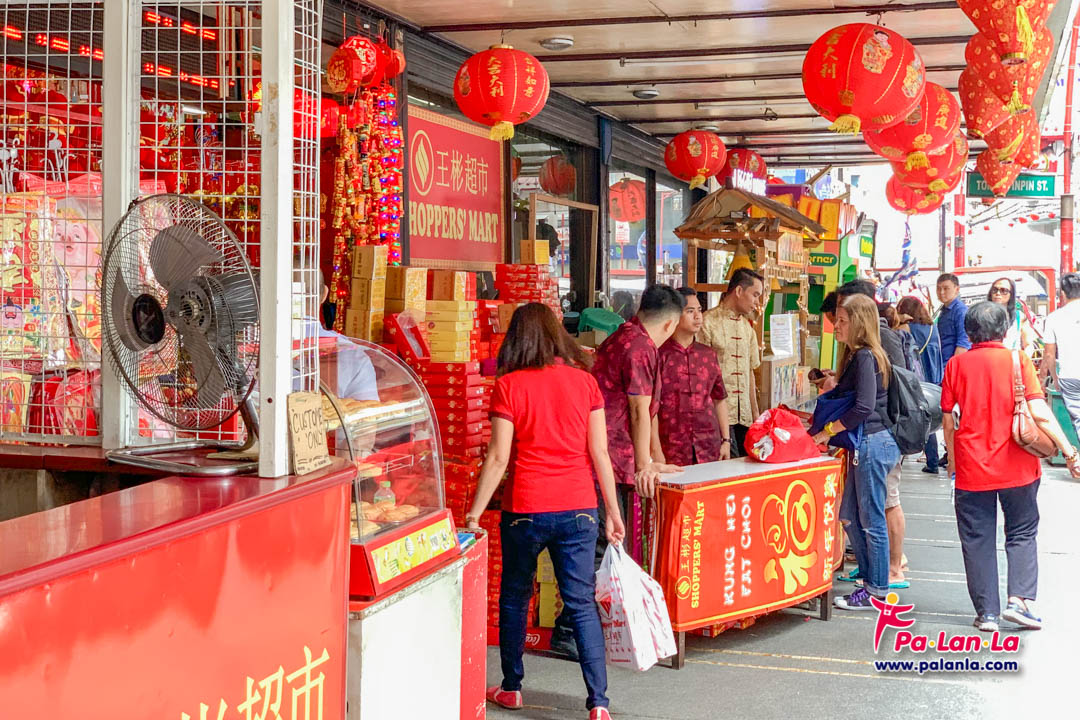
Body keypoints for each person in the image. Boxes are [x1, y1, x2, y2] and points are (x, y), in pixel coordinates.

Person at [465, 303, 625, 720]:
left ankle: (512, 687)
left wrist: (472, 514)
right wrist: (612, 510)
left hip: (526, 507)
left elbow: (499, 457)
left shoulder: (510, 386)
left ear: (516, 338)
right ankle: (599, 703)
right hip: (579, 508)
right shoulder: (584, 382)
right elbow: (600, 453)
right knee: (581, 602)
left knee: (516, 595)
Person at [941, 301, 1080, 632]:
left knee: (977, 539)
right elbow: (1040, 412)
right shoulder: (1017, 360)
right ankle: (1019, 600)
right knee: (1021, 531)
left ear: (969, 332)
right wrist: (1069, 451)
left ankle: (987, 613)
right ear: (1004, 330)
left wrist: (953, 461)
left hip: (972, 468)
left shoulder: (955, 365)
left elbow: (949, 420)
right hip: (1018, 466)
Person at [811, 294, 900, 610]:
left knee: (871, 518)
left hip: (873, 443)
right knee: (849, 515)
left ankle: (876, 590)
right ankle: (869, 583)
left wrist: (826, 431)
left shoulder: (865, 357)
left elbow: (862, 406)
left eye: (843, 320)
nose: (836, 326)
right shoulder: (860, 356)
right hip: (868, 443)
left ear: (859, 323)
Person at [591, 284, 684, 557]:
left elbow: (647, 410)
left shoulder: (626, 334)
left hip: (610, 454)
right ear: (670, 324)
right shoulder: (639, 346)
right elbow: (638, 410)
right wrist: (644, 464)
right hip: (610, 455)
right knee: (610, 543)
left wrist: (654, 457)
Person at [652, 288, 731, 466]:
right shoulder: (659, 355)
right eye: (690, 311)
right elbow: (650, 409)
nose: (698, 316)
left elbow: (719, 399)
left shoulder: (708, 355)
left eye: (700, 310)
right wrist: (655, 450)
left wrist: (726, 440)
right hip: (671, 448)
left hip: (709, 446)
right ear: (673, 316)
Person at [699, 268, 765, 456]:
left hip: (744, 417)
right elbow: (701, 376)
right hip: (716, 417)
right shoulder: (707, 323)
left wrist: (756, 416)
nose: (756, 303)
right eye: (755, 295)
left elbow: (749, 374)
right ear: (738, 291)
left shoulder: (748, 329)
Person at [898, 295, 944, 474]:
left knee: (911, 417)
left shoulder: (906, 327)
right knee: (929, 418)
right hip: (933, 378)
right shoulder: (932, 328)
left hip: (917, 379)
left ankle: (904, 453)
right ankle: (932, 460)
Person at [1042, 272, 1080, 438]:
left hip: (1069, 377)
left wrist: (1052, 378)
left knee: (1078, 420)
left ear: (1062, 294)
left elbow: (1049, 355)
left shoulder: (1053, 318)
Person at [987, 277, 1034, 353]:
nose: (998, 293)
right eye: (995, 290)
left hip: (1012, 361)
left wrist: (1021, 361)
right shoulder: (983, 315)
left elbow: (1028, 345)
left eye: (1004, 291)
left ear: (1011, 294)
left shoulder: (1019, 317)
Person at [936, 273, 971, 365]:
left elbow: (963, 344)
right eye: (939, 288)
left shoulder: (960, 311)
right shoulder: (943, 311)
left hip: (950, 366)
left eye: (946, 288)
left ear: (957, 289)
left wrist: (953, 369)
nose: (941, 292)